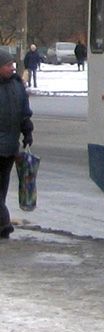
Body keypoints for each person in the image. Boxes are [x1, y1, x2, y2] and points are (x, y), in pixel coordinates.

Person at [0, 48, 33, 239]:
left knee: (2, 188)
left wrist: (27, 131)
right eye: (7, 65)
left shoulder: (16, 85)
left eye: (12, 64)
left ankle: (2, 224)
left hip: (9, 148)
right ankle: (4, 223)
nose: (12, 68)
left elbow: (23, 111)